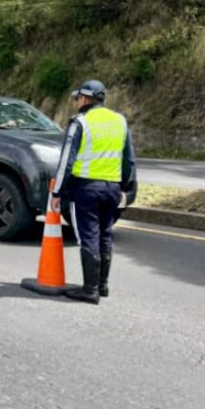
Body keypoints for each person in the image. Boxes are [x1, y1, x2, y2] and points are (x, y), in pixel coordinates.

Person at [50, 80, 135, 305]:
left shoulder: (80, 122)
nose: (76, 102)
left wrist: (56, 192)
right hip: (113, 189)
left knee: (88, 237)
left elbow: (66, 159)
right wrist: (126, 186)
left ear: (86, 98)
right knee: (105, 235)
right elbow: (128, 159)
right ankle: (102, 285)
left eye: (77, 98)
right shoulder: (120, 121)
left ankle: (89, 290)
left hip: (86, 189)